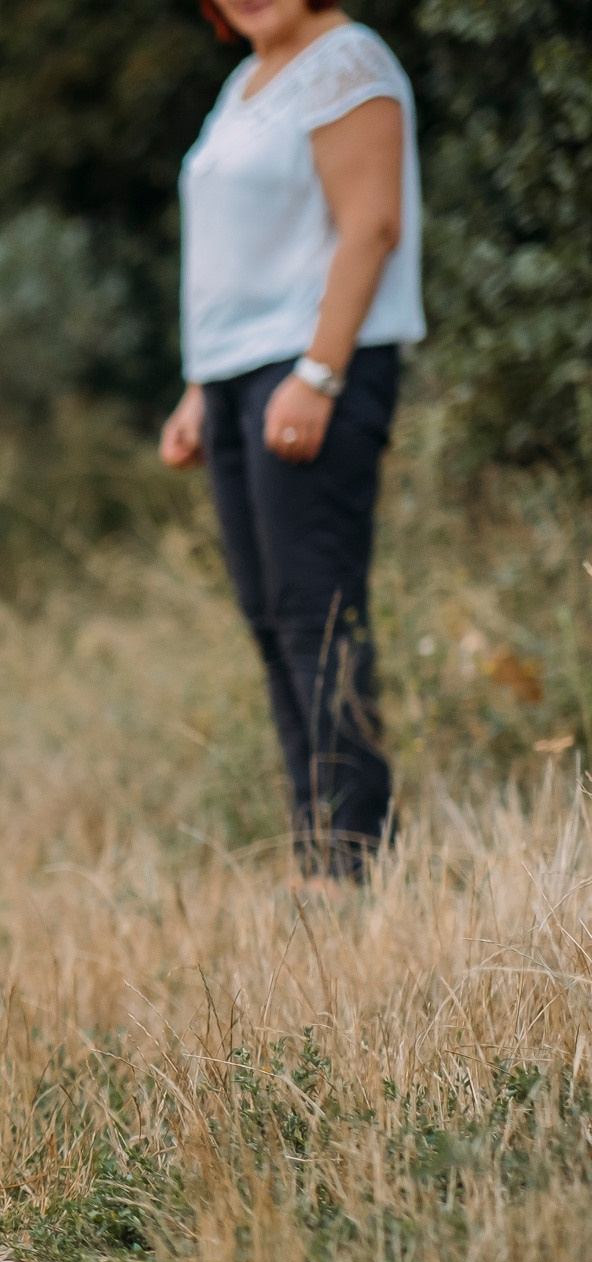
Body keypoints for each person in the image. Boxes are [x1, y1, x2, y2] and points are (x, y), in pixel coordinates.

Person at [159, 0, 423, 881]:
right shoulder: (246, 81)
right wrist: (201, 388)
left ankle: (356, 858)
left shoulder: (348, 60)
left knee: (319, 614)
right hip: (237, 376)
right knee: (272, 619)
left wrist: (319, 374)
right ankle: (317, 846)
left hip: (313, 366)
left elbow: (371, 225)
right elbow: (237, 256)